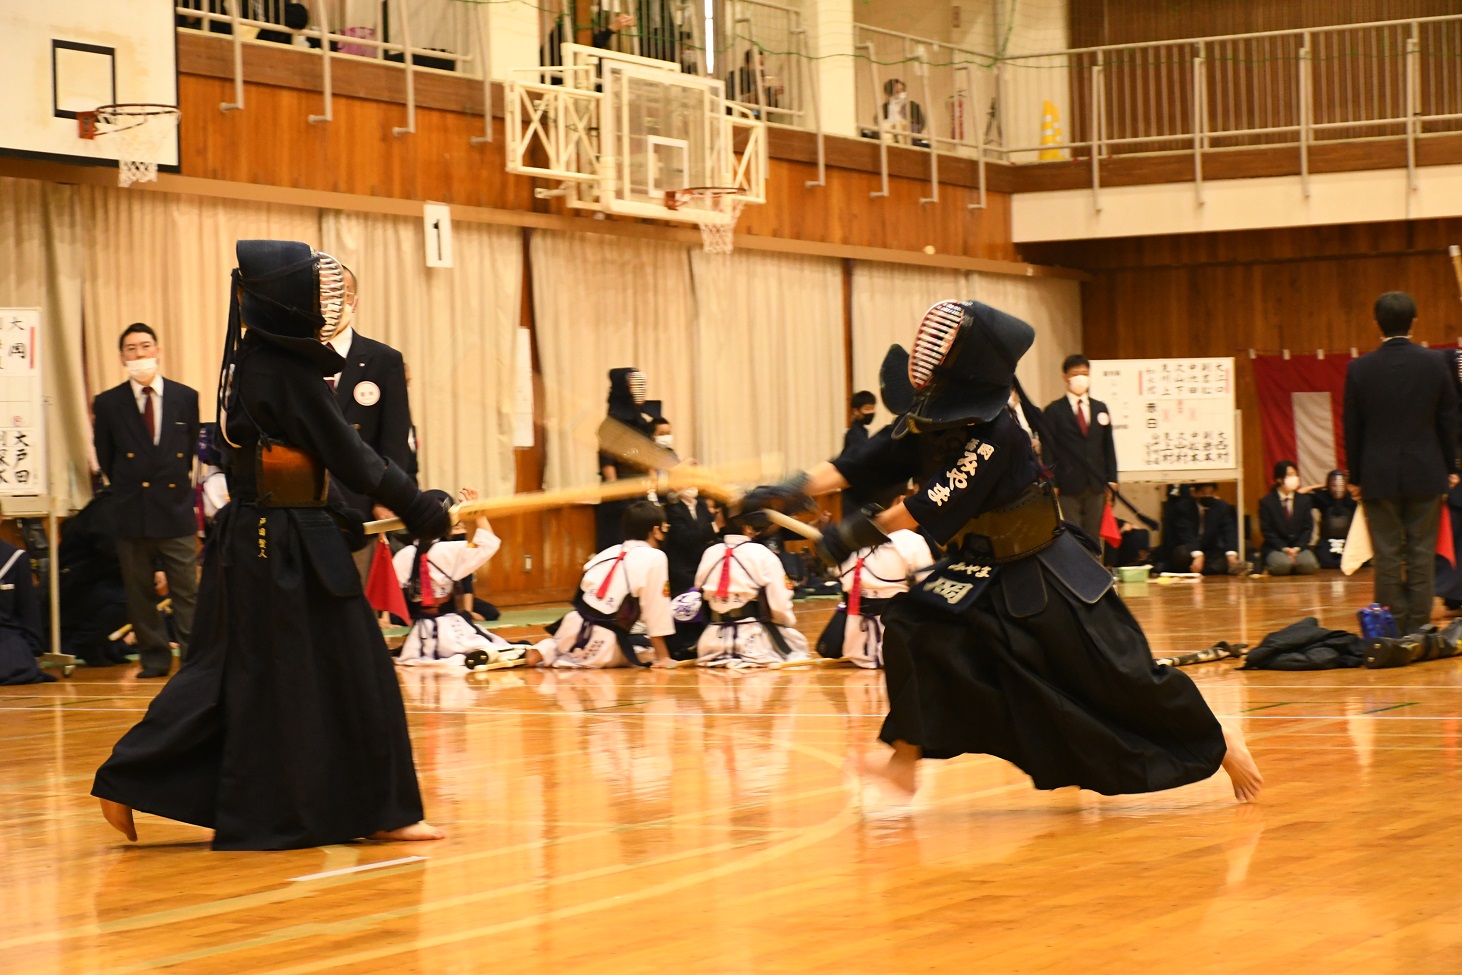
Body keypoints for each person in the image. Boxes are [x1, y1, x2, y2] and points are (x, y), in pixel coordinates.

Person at [745, 299, 1260, 802]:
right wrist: (790, 487)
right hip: (978, 564)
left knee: (1122, 675)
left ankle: (1219, 740)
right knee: (912, 627)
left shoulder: (997, 435)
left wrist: (853, 533)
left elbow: (926, 504)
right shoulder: (926, 419)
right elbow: (858, 464)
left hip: (1044, 568)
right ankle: (904, 762)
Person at [92, 239, 453, 850]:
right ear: (285, 299)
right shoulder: (283, 370)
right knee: (351, 672)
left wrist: (336, 513)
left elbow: (289, 463)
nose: (323, 300)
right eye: (312, 289)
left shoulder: (257, 363)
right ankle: (384, 808)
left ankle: (132, 777)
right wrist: (421, 507)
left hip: (274, 537)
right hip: (282, 548)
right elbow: (348, 454)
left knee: (243, 672)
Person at [1344, 291, 1460, 634]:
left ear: (1377, 324)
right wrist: (1451, 468)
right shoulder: (1435, 363)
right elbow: (1448, 419)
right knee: (1422, 553)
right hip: (1426, 471)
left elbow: (1353, 426)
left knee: (1387, 555)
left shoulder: (1359, 368)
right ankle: (1420, 629)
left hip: (1377, 474)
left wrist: (1355, 476)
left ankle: (1392, 631)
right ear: (1415, 321)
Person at [91, 323, 200, 679]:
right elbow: (107, 458)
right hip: (131, 510)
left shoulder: (186, 396)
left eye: (145, 346)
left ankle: (194, 661)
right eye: (131, 349)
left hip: (176, 510)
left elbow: (186, 455)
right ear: (122, 357)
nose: (139, 354)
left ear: (158, 350)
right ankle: (154, 659)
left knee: (186, 592)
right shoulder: (108, 403)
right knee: (139, 594)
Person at [324, 267, 416, 584]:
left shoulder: (383, 360)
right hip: (304, 505)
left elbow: (393, 442)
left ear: (355, 300)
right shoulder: (296, 359)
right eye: (323, 295)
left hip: (359, 506)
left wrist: (386, 499)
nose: (332, 302)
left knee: (356, 606)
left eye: (341, 294)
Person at [527, 500, 674, 669]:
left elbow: (583, 588)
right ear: (656, 531)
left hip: (572, 624)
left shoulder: (609, 551)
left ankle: (547, 649)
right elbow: (656, 609)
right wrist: (663, 657)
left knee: (565, 646)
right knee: (644, 650)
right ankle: (566, 650)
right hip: (605, 640)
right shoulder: (655, 557)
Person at [393, 489, 519, 666]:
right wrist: (478, 513)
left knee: (419, 657)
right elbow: (488, 544)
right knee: (483, 647)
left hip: (420, 631)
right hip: (449, 626)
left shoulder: (403, 555)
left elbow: (389, 589)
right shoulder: (448, 551)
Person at [693, 511, 811, 668]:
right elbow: (779, 605)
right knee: (798, 647)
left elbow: (699, 589)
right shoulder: (762, 553)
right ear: (748, 528)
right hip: (754, 642)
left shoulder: (710, 553)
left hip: (710, 642)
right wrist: (784, 624)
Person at [815, 524, 932, 668]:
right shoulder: (910, 541)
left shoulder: (842, 540)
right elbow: (928, 585)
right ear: (898, 501)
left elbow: (838, 575)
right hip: (900, 645)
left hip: (856, 647)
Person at [1043, 354, 1118, 547]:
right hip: (1067, 484)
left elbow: (1108, 446)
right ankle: (1075, 576)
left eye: (1085, 373)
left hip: (1096, 482)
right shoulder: (1054, 411)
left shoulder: (1101, 408)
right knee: (1073, 534)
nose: (1081, 378)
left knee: (1093, 536)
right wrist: (1052, 481)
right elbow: (1048, 450)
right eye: (1076, 373)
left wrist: (1112, 479)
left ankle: (1096, 576)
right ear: (1065, 377)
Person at [596, 367, 653, 549]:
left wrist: (651, 490)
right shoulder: (611, 424)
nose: (641, 391)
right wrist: (618, 494)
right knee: (620, 544)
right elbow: (607, 462)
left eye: (642, 385)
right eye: (635, 386)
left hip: (642, 492)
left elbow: (650, 458)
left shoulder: (643, 423)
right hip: (621, 495)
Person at [0, 537, 53, 685]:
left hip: (4, 633)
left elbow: (27, 607)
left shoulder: (15, 557)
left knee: (15, 663)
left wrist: (33, 648)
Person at [1168, 483, 1244, 575]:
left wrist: (1231, 555)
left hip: (1210, 550)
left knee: (1225, 557)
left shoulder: (1222, 507)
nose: (1207, 496)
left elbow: (1229, 530)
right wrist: (1198, 555)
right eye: (1203, 493)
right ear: (1194, 493)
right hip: (1190, 548)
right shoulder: (1184, 507)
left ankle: (1204, 570)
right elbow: (1186, 534)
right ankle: (1201, 569)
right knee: (1181, 554)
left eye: (1211, 493)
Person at [1258, 461, 1319, 576]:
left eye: (1295, 474)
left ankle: (1295, 562)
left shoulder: (1304, 500)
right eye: (1289, 475)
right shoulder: (1267, 502)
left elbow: (1308, 528)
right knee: (1281, 566)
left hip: (1298, 546)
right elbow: (1267, 530)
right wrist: (1284, 548)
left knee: (1309, 565)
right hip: (1276, 547)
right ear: (1279, 479)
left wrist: (1297, 548)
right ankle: (1283, 562)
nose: (1294, 478)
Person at [1309, 469, 1358, 569]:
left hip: (1349, 541)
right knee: (1327, 562)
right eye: (1334, 485)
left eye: (1341, 485)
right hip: (1327, 541)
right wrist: (1319, 486)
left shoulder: (1352, 499)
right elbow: (1298, 495)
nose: (1338, 488)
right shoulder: (1323, 497)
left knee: (1350, 562)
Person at [880, 78, 926, 144]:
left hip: (910, 140)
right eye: (897, 92)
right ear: (889, 94)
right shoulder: (884, 108)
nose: (902, 94)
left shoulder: (913, 106)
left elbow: (920, 125)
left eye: (903, 91)